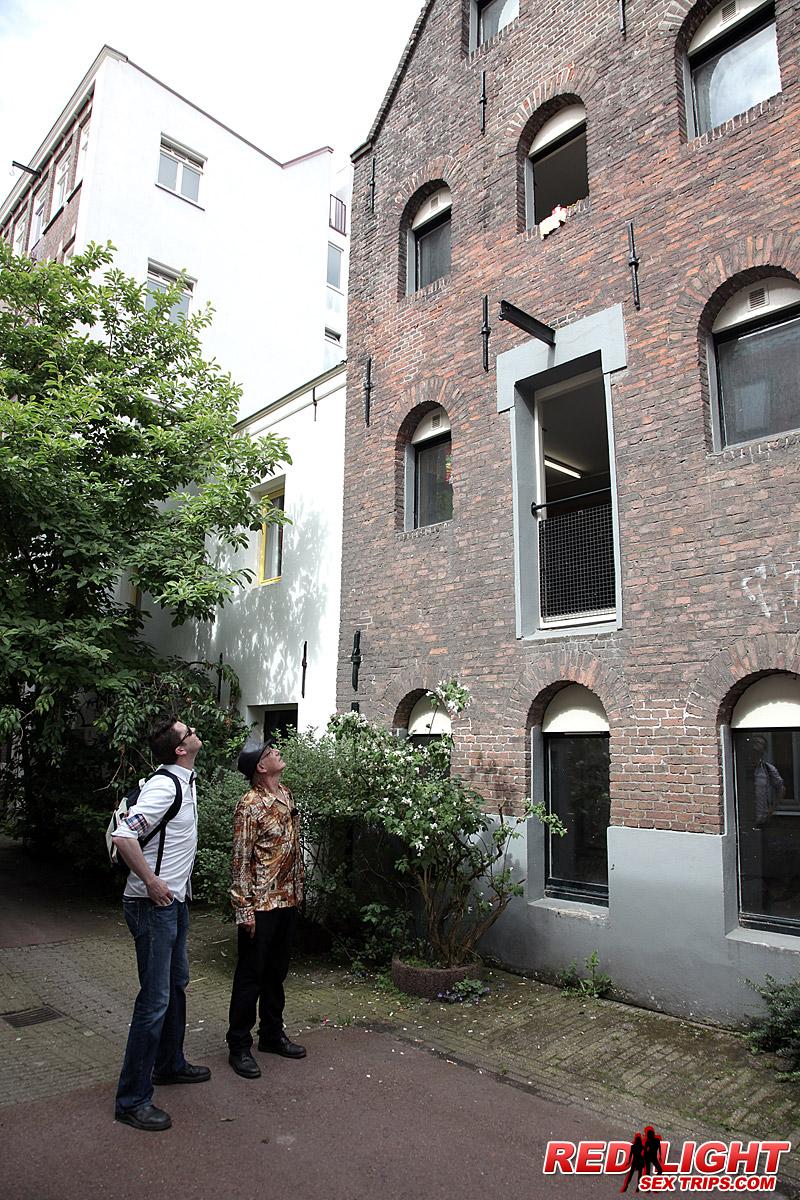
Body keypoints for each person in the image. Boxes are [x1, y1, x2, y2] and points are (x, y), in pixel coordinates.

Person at [112, 716, 210, 1132]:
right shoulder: (164, 787)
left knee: (176, 985)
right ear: (180, 749)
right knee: (154, 1001)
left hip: (174, 902)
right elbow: (123, 835)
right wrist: (151, 882)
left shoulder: (185, 781)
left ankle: (169, 1063)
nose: (195, 732)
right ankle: (132, 1100)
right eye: (188, 732)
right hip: (153, 906)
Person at [226, 739, 306, 1079]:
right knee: (251, 976)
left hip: (287, 900)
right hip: (260, 903)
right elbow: (240, 861)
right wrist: (243, 909)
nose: (277, 753)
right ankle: (239, 1045)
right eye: (270, 753)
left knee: (277, 973)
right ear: (260, 767)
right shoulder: (249, 806)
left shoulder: (286, 794)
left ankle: (272, 1034)